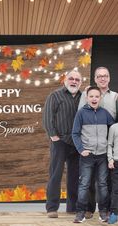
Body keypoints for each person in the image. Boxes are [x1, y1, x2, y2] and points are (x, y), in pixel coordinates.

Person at [78, 67, 118, 219]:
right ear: (95, 78)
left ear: (109, 78)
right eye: (99, 76)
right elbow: (81, 115)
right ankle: (89, 208)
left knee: (106, 179)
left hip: (109, 141)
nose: (102, 78)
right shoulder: (86, 94)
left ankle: (106, 209)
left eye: (105, 76)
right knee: (89, 177)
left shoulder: (115, 96)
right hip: (90, 140)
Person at [43, 70, 82, 218]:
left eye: (77, 79)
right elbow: (47, 117)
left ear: (80, 82)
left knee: (74, 175)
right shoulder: (55, 95)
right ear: (65, 80)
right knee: (55, 174)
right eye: (71, 78)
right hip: (59, 141)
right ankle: (52, 208)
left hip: (77, 142)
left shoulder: (83, 97)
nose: (74, 81)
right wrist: (53, 136)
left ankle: (72, 207)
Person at [72, 86, 115, 223]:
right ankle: (80, 213)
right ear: (87, 98)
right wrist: (81, 149)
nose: (94, 98)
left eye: (97, 96)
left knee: (102, 184)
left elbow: (113, 129)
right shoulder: (81, 114)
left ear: (100, 98)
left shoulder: (105, 113)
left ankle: (103, 212)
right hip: (87, 155)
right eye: (91, 96)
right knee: (84, 184)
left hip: (102, 155)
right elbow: (75, 133)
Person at [107, 122, 118, 224]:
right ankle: (114, 213)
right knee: (115, 189)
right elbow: (109, 144)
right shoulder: (114, 127)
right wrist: (110, 159)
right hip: (116, 162)